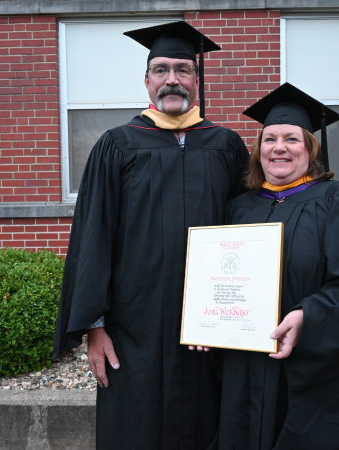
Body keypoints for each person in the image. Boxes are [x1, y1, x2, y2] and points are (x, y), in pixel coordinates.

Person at [53, 21, 249, 450]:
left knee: (208, 421)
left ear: (197, 81)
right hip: (132, 327)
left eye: (182, 69)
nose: (172, 79)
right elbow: (93, 237)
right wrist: (95, 327)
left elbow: (248, 230)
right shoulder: (118, 145)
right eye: (161, 70)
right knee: (135, 428)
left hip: (210, 326)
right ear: (146, 80)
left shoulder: (227, 146)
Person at [210, 83, 339, 450]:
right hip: (242, 361)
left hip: (305, 363)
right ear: (258, 150)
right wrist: (204, 322)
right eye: (270, 139)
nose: (279, 147)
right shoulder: (237, 208)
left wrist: (308, 315)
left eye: (292, 139)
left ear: (311, 149)